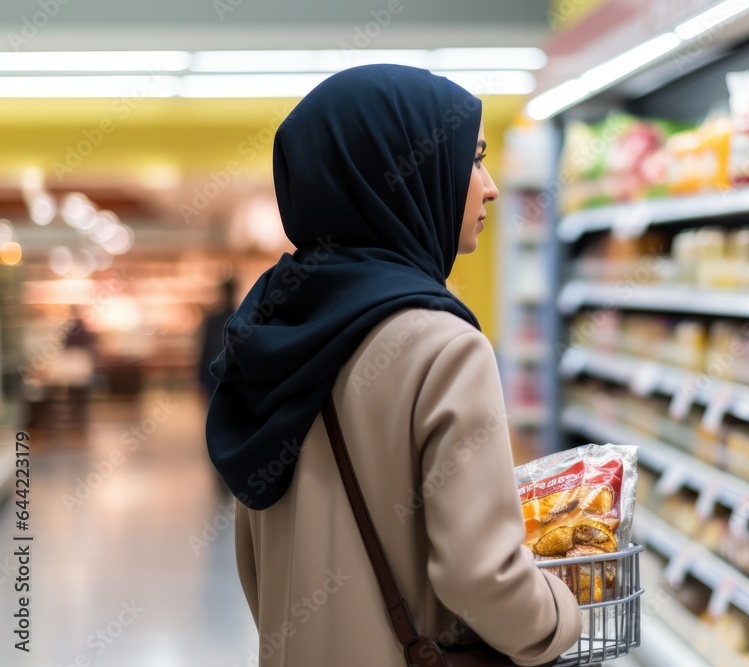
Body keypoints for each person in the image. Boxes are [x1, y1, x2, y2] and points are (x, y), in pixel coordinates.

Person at [206, 65, 581, 666]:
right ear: (406, 170)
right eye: (474, 159)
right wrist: (563, 613)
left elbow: (254, 565)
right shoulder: (443, 347)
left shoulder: (267, 330)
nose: (490, 187)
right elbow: (482, 577)